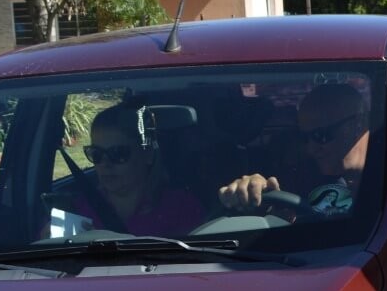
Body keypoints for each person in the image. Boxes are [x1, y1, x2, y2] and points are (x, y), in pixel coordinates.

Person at [218, 83, 369, 217]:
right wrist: (252, 191)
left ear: (358, 125)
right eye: (304, 138)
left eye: (320, 135)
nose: (310, 149)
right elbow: (277, 198)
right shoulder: (305, 175)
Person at [74, 102, 205, 236]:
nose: (105, 163)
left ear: (147, 154)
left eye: (118, 154)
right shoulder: (83, 207)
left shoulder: (180, 208)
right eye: (97, 154)